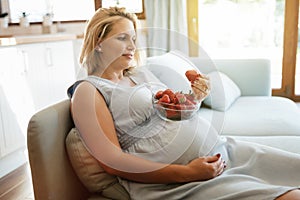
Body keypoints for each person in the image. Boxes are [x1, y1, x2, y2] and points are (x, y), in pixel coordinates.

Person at [67, 7, 300, 200]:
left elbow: (175, 113)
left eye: (134, 39)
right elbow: (113, 161)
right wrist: (187, 173)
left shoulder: (139, 74)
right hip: (178, 184)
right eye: (122, 38)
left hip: (223, 151)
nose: (132, 46)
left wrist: (195, 97)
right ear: (98, 42)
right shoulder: (89, 91)